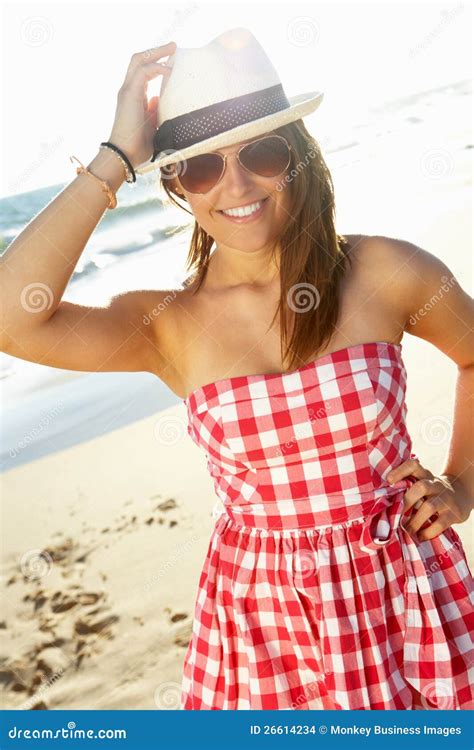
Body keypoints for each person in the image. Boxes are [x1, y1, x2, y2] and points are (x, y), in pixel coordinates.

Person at [1, 28, 473, 711]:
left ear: (297, 156)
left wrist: (462, 482)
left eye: (262, 152)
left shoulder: (385, 273)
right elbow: (13, 317)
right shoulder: (167, 324)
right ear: (174, 185)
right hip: (263, 625)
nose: (238, 184)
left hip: (402, 599)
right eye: (201, 167)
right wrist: (113, 158)